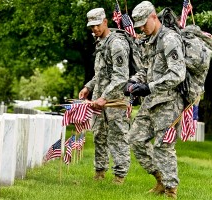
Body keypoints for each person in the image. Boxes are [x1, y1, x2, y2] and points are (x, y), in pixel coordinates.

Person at [123, 1, 186, 199]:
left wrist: (148, 87)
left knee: (163, 146)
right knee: (135, 139)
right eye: (138, 25)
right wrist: (133, 82)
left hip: (168, 102)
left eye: (144, 23)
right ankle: (160, 179)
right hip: (150, 101)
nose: (142, 28)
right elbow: (145, 70)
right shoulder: (148, 41)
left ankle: (171, 191)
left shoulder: (169, 39)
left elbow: (178, 74)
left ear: (153, 16)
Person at [79, 8, 131, 185]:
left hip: (116, 100)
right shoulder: (100, 43)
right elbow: (100, 74)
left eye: (97, 25)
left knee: (118, 137)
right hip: (99, 101)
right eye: (91, 26)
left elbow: (121, 76)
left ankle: (119, 176)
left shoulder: (116, 43)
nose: (94, 29)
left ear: (106, 22)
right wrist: (88, 87)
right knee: (99, 135)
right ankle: (100, 171)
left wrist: (105, 96)